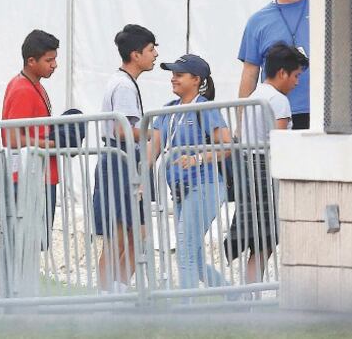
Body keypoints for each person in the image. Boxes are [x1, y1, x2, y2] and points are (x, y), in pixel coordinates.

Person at [226, 42, 307, 286]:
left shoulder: (255, 95)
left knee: (259, 242)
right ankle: (252, 293)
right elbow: (280, 141)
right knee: (267, 240)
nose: (297, 82)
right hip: (267, 172)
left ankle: (250, 293)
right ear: (282, 72)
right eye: (296, 76)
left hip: (249, 168)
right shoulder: (279, 100)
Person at [151, 54, 231, 290]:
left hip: (204, 186)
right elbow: (153, 149)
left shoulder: (204, 108)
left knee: (185, 252)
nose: (173, 79)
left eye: (179, 75)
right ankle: (236, 297)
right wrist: (139, 179)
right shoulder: (167, 110)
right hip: (179, 191)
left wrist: (197, 158)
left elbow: (227, 145)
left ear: (196, 80)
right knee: (191, 257)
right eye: (172, 74)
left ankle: (187, 310)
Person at [92, 24, 158, 292]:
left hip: (124, 162)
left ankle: (115, 290)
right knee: (118, 236)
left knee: (136, 234)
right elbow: (121, 129)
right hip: (119, 163)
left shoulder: (123, 82)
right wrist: (152, 132)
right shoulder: (123, 86)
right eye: (151, 50)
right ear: (135, 54)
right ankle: (105, 295)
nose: (155, 55)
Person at [238, 0, 311, 130]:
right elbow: (250, 73)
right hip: (275, 113)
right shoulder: (258, 21)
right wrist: (241, 124)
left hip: (318, 111)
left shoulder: (324, 10)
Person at [1, 30, 61, 246]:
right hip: (29, 178)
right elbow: (13, 137)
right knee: (25, 244)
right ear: (31, 61)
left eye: (55, 59)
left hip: (38, 175)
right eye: (49, 60)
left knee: (32, 244)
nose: (54, 65)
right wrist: (53, 144)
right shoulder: (23, 89)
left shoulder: (34, 86)